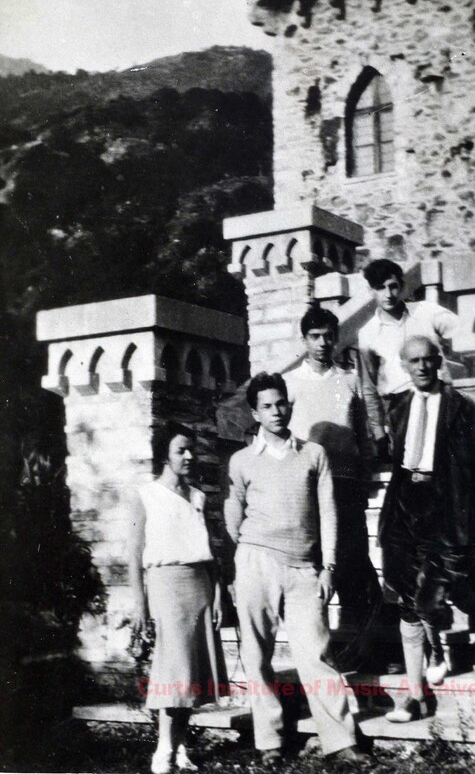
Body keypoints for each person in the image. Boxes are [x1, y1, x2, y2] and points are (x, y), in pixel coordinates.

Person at [224, 372, 369, 764]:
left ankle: (341, 741)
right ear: (255, 413)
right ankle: (269, 742)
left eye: (281, 403)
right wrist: (245, 551)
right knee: (257, 655)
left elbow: (328, 513)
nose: (276, 412)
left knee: (315, 653)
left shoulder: (313, 454)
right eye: (267, 406)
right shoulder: (242, 461)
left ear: (289, 405)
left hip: (304, 567)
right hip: (257, 562)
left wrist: (329, 567)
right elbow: (234, 509)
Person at [378, 336, 475, 722]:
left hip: (445, 506)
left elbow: (471, 467)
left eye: (428, 359)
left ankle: (438, 649)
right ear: (404, 365)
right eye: (414, 361)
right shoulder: (398, 407)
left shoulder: (464, 407)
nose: (422, 367)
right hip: (405, 503)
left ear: (438, 361)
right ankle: (414, 694)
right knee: (407, 600)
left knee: (430, 595)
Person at [129, 423, 227, 774]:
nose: (188, 456)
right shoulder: (145, 495)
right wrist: (139, 605)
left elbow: (210, 553)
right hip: (166, 587)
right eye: (180, 450)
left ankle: (181, 745)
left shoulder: (198, 497)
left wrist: (218, 595)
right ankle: (163, 749)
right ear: (164, 456)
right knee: (174, 670)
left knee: (192, 672)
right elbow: (134, 555)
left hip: (200, 585)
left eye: (191, 450)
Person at [284, 307, 380, 655]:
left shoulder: (349, 380)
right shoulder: (290, 383)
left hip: (345, 484)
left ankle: (362, 649)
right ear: (304, 340)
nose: (322, 343)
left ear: (337, 339)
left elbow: (362, 434)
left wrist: (363, 475)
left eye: (328, 336)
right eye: (315, 337)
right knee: (314, 565)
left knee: (354, 563)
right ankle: (316, 650)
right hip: (307, 487)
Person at [357, 259, 458, 457]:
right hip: (399, 407)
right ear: (371, 291)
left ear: (402, 286)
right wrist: (378, 433)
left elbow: (462, 329)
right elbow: (369, 387)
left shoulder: (426, 312)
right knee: (409, 467)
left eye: (393, 286)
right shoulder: (367, 333)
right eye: (380, 288)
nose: (388, 294)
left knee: (445, 463)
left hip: (438, 399)